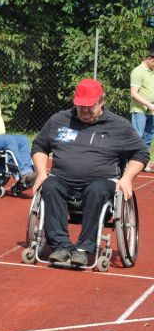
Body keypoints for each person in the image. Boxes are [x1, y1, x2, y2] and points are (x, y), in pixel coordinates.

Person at [31, 78, 149, 266]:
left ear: (101, 101)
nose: (85, 110)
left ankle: (83, 249)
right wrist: (41, 173)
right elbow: (39, 146)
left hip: (101, 182)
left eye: (90, 106)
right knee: (50, 185)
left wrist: (127, 178)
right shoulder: (59, 120)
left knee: (97, 189)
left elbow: (141, 153)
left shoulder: (119, 125)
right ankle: (61, 246)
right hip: (62, 180)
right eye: (81, 106)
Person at [129, 48, 154, 171]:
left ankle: (144, 162)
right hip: (139, 110)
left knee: (148, 138)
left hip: (151, 111)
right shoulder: (138, 71)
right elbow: (134, 93)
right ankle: (131, 163)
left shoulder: (152, 71)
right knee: (137, 137)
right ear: (149, 59)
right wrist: (149, 104)